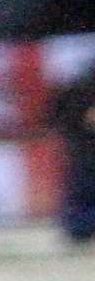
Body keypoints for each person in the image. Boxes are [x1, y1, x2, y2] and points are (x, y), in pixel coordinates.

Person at [48, 64, 95, 244]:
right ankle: (79, 229)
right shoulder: (80, 92)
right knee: (82, 195)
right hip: (84, 154)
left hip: (80, 153)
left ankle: (78, 230)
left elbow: (55, 118)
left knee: (80, 197)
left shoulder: (72, 89)